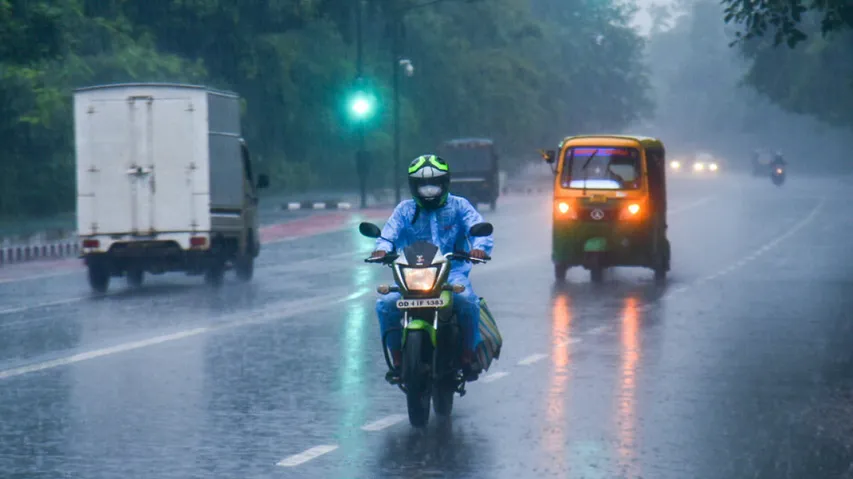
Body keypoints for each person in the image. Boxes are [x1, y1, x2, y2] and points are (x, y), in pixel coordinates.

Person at [370, 154, 494, 383]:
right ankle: (398, 359)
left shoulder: (459, 206)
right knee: (386, 305)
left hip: (452, 272)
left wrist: (479, 248)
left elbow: (476, 226)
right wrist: (381, 249)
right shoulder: (404, 210)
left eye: (434, 184)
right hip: (413, 274)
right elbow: (388, 234)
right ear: (413, 185)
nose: (428, 190)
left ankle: (467, 355)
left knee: (467, 301)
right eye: (422, 185)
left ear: (444, 183)